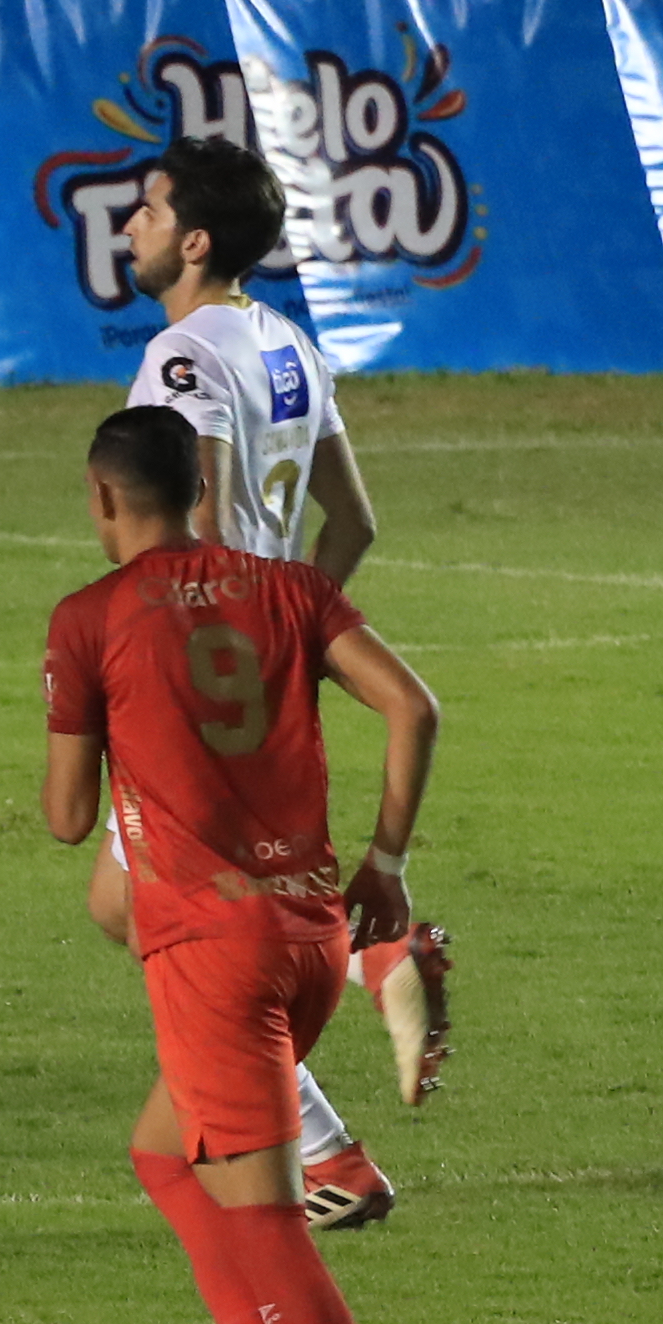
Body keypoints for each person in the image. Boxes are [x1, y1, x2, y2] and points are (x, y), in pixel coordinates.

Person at [45, 402, 447, 1324]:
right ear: (201, 492)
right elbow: (413, 706)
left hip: (208, 955)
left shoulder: (88, 620)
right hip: (316, 936)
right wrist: (387, 862)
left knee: (267, 1222)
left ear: (103, 499)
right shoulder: (287, 590)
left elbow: (70, 820)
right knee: (166, 1151)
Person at [99, 137, 447, 1230]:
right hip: (256, 679)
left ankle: (368, 999)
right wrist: (286, 642)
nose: (130, 229)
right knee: (138, 907)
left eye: (147, 213)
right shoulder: (289, 342)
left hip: (195, 681)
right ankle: (347, 1090)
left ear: (193, 241)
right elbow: (355, 521)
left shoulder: (181, 360)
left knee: (167, 920)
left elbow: (200, 518)